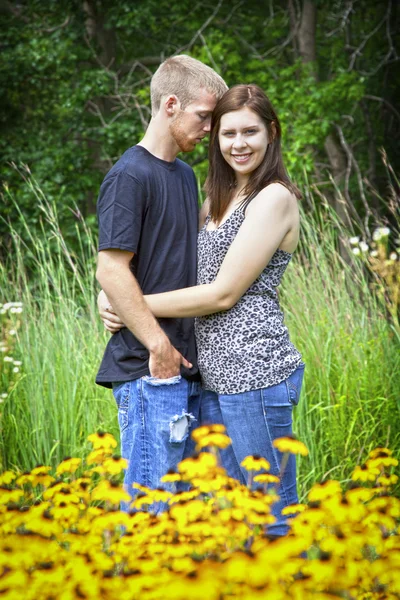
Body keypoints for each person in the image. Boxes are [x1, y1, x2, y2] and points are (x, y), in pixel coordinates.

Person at [100, 84, 305, 536]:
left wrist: (131, 303)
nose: (238, 143)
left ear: (272, 132)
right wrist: (113, 292)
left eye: (250, 131)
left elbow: (221, 294)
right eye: (227, 133)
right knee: (229, 511)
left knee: (270, 511)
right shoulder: (215, 198)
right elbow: (171, 267)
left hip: (255, 373)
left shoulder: (274, 198)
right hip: (213, 379)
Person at [95, 55, 228, 506]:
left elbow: (155, 260)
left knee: (188, 515)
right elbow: (110, 267)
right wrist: (158, 345)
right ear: (171, 104)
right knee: (152, 513)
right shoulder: (129, 174)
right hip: (149, 369)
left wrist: (116, 293)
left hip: (188, 366)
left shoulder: (185, 175)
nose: (210, 128)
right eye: (204, 116)